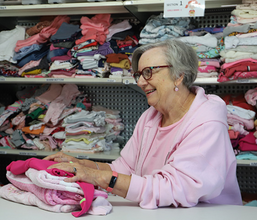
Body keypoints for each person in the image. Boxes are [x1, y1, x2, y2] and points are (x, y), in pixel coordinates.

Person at [44, 38, 242, 209]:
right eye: (139, 75)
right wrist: (82, 165)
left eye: (149, 72)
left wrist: (97, 177)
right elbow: (124, 168)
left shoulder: (206, 121)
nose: (140, 82)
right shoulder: (151, 117)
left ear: (179, 75)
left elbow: (175, 188)